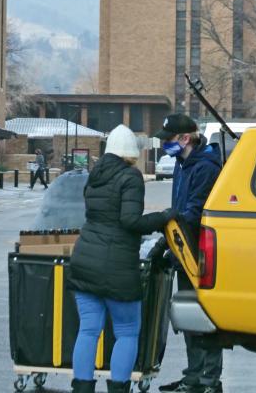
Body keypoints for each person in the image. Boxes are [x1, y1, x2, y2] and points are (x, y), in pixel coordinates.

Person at [68, 124, 177, 393]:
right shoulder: (131, 177)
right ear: (131, 152)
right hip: (116, 265)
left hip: (84, 260)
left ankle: (82, 388)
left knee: (89, 330)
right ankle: (118, 388)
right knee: (127, 330)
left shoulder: (95, 176)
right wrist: (164, 217)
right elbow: (130, 221)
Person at [153, 114, 223, 393]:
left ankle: (208, 380)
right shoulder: (184, 163)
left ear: (184, 138)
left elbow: (192, 213)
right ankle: (193, 377)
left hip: (200, 254)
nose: (164, 144)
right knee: (189, 318)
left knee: (202, 317)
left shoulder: (205, 167)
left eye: (168, 139)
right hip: (184, 251)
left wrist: (167, 234)